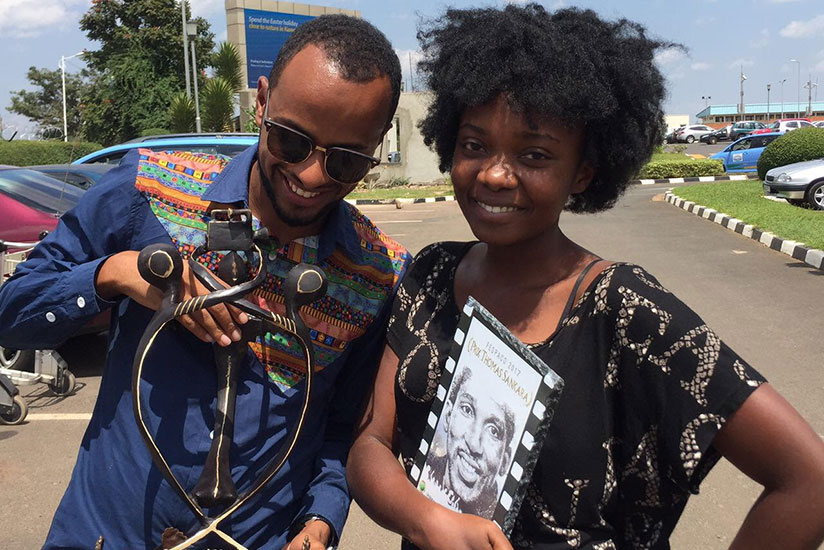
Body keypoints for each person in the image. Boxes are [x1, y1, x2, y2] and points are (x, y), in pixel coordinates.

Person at [346, 5, 824, 550]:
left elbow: (809, 481)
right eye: (475, 145)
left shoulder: (626, 310)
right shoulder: (431, 276)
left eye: (534, 154)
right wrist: (421, 519)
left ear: (583, 173)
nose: (496, 174)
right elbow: (369, 444)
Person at [0, 14, 410, 550]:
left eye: (346, 159)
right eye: (291, 140)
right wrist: (115, 272)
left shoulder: (377, 273)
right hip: (106, 534)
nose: (312, 175)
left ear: (378, 144)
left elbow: (340, 429)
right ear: (261, 102)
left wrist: (323, 518)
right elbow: (13, 312)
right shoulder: (145, 190)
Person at [421, 366, 516, 518]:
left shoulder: (500, 515)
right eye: (467, 410)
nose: (474, 444)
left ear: (505, 462)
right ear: (448, 416)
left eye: (493, 431)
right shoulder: (425, 471)